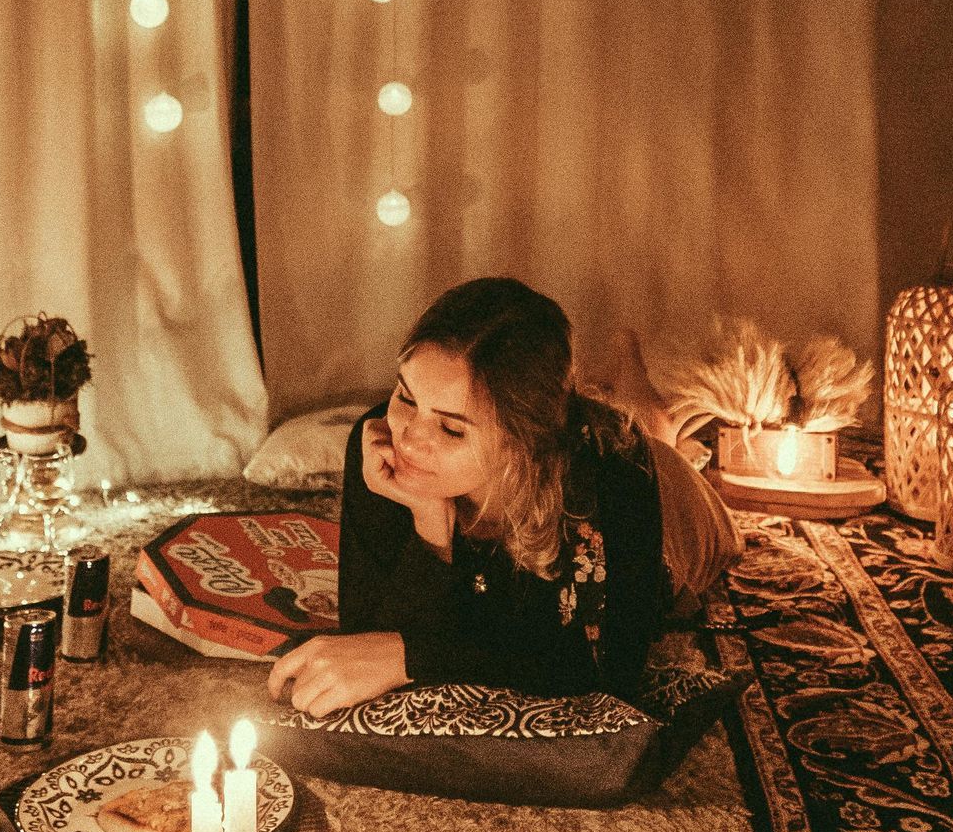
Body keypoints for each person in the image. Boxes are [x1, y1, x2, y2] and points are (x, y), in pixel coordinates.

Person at [265, 277, 737, 720]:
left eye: (451, 428)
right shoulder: (380, 442)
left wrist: (411, 657)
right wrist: (430, 525)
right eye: (406, 397)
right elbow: (364, 637)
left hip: (682, 513)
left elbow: (607, 673)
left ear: (521, 440)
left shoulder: (616, 473)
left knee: (655, 439)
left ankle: (634, 379)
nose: (408, 439)